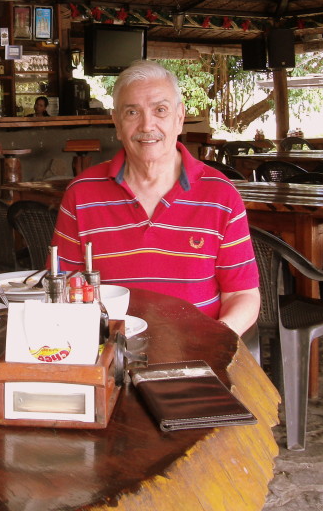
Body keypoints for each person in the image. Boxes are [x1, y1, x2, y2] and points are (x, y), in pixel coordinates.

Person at [52, 61, 260, 334]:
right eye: (132, 112)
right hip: (108, 352)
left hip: (196, 355)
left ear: (179, 117)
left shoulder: (220, 194)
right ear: (116, 122)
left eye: (160, 110)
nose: (147, 125)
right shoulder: (81, 194)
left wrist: (215, 340)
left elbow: (242, 294)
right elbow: (66, 286)